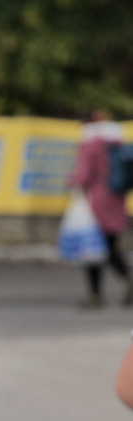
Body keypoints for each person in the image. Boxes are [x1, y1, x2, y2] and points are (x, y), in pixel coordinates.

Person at [68, 109, 133, 308]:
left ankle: (95, 294)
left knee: (91, 250)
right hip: (116, 201)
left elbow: (85, 175)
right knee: (111, 248)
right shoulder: (116, 143)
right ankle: (125, 279)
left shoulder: (91, 145)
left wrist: (70, 181)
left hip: (96, 204)